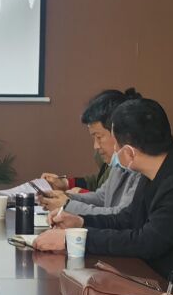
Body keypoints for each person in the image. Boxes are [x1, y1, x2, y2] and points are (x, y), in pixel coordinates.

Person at [32, 96, 173, 295]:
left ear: (129, 153)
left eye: (116, 145)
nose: (113, 150)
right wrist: (80, 222)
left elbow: (146, 242)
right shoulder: (157, 170)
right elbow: (128, 218)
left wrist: (74, 240)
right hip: (156, 278)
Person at [40, 87, 141, 216]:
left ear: (118, 131)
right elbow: (102, 197)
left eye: (99, 137)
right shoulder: (119, 165)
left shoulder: (140, 169)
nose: (96, 146)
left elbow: (120, 216)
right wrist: (65, 198)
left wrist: (67, 205)